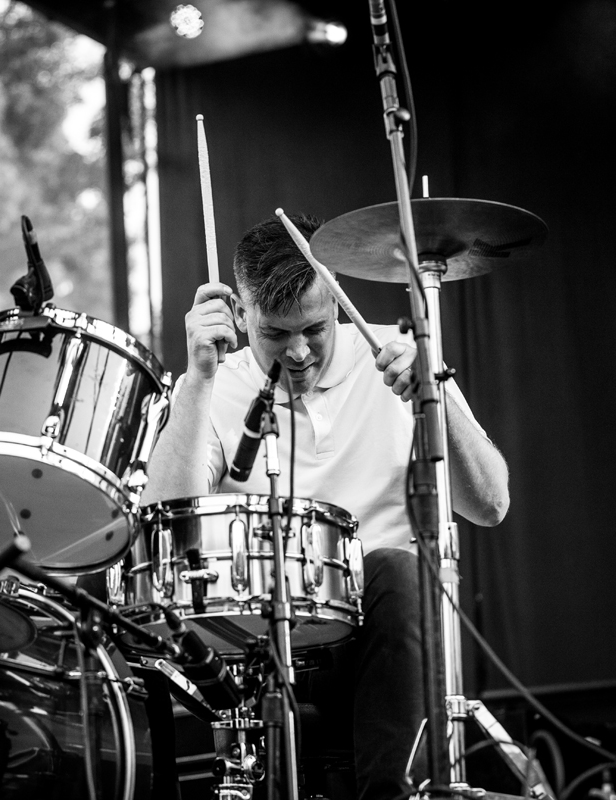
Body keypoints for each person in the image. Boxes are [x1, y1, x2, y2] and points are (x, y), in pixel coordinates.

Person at [141, 213, 509, 800]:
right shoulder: (214, 386)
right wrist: (198, 380)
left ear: (338, 296)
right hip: (267, 651)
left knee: (395, 569)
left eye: (314, 328)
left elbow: (491, 504)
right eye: (275, 334)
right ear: (241, 314)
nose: (298, 351)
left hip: (393, 645)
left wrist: (432, 398)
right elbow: (163, 532)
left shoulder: (397, 355)